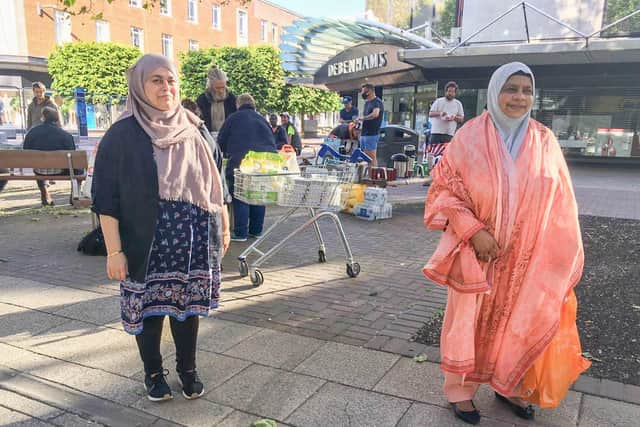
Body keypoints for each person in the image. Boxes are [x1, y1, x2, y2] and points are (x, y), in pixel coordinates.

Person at [423, 62, 590, 425]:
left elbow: (562, 200)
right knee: (466, 321)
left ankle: (507, 384)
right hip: (475, 254)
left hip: (526, 259)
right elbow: (444, 191)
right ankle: (459, 391)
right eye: (511, 88)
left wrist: (557, 255)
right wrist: (474, 231)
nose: (519, 97)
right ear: (495, 91)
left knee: (516, 321)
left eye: (526, 90)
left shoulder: (544, 140)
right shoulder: (468, 136)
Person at [92, 54, 230, 402]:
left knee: (188, 310)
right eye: (156, 80)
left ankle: (188, 370)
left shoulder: (194, 127)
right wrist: (114, 251)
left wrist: (224, 228)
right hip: (145, 240)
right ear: (139, 84)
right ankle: (153, 374)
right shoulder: (122, 134)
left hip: (194, 237)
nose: (165, 87)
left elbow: (216, 181)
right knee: (150, 311)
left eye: (170, 80)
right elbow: (105, 199)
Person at [218, 94, 277, 242]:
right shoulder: (262, 119)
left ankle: (241, 233)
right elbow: (272, 141)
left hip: (242, 161)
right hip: (264, 163)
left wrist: (226, 153)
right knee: (258, 195)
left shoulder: (233, 118)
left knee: (241, 195)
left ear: (238, 104)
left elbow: (221, 141)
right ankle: (256, 230)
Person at [23, 106, 76, 206]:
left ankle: (45, 194)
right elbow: (72, 153)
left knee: (37, 164)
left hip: (39, 170)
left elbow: (26, 150)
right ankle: (74, 194)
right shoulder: (65, 135)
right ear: (56, 119)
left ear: (43, 117)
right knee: (78, 168)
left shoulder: (32, 132)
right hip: (61, 170)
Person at [426, 81, 464, 165]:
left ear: (455, 93)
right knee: (432, 155)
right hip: (436, 133)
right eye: (449, 91)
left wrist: (454, 118)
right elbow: (430, 113)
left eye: (452, 92)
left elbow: (461, 119)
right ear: (446, 91)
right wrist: (440, 113)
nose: (450, 93)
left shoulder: (458, 104)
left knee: (446, 157)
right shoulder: (439, 101)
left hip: (449, 135)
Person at [196, 65, 237, 133]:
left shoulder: (232, 99)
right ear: (210, 86)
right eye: (217, 88)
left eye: (223, 87)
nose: (221, 91)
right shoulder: (202, 100)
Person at [357, 83, 384, 167]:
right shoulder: (367, 103)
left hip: (372, 133)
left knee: (371, 157)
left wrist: (363, 118)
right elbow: (365, 117)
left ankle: (373, 177)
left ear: (370, 91)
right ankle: (368, 176)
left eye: (364, 92)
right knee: (365, 157)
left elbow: (375, 114)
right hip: (364, 133)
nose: (362, 93)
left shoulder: (377, 102)